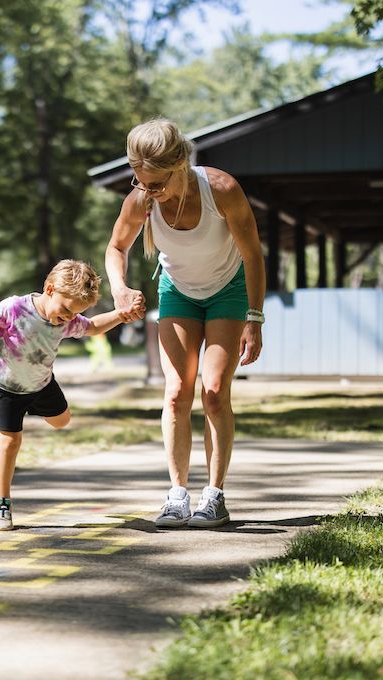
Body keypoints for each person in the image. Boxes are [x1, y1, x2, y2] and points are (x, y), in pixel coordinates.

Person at [105, 118, 266, 529]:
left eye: (156, 184)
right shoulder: (142, 200)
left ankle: (214, 496)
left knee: (213, 392)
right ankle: (177, 495)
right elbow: (116, 247)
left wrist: (254, 318)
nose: (148, 192)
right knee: (177, 392)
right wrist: (120, 289)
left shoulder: (222, 190)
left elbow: (252, 255)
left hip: (227, 293)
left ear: (179, 164)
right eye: (140, 182)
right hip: (178, 293)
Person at [0, 259, 126, 531]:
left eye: (72, 315)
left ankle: (34, 408)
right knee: (9, 442)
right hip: (8, 386)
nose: (67, 318)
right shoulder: (15, 308)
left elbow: (93, 327)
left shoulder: (68, 321)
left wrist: (121, 314)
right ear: (50, 289)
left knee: (62, 421)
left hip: (42, 384)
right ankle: (2, 503)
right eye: (65, 310)